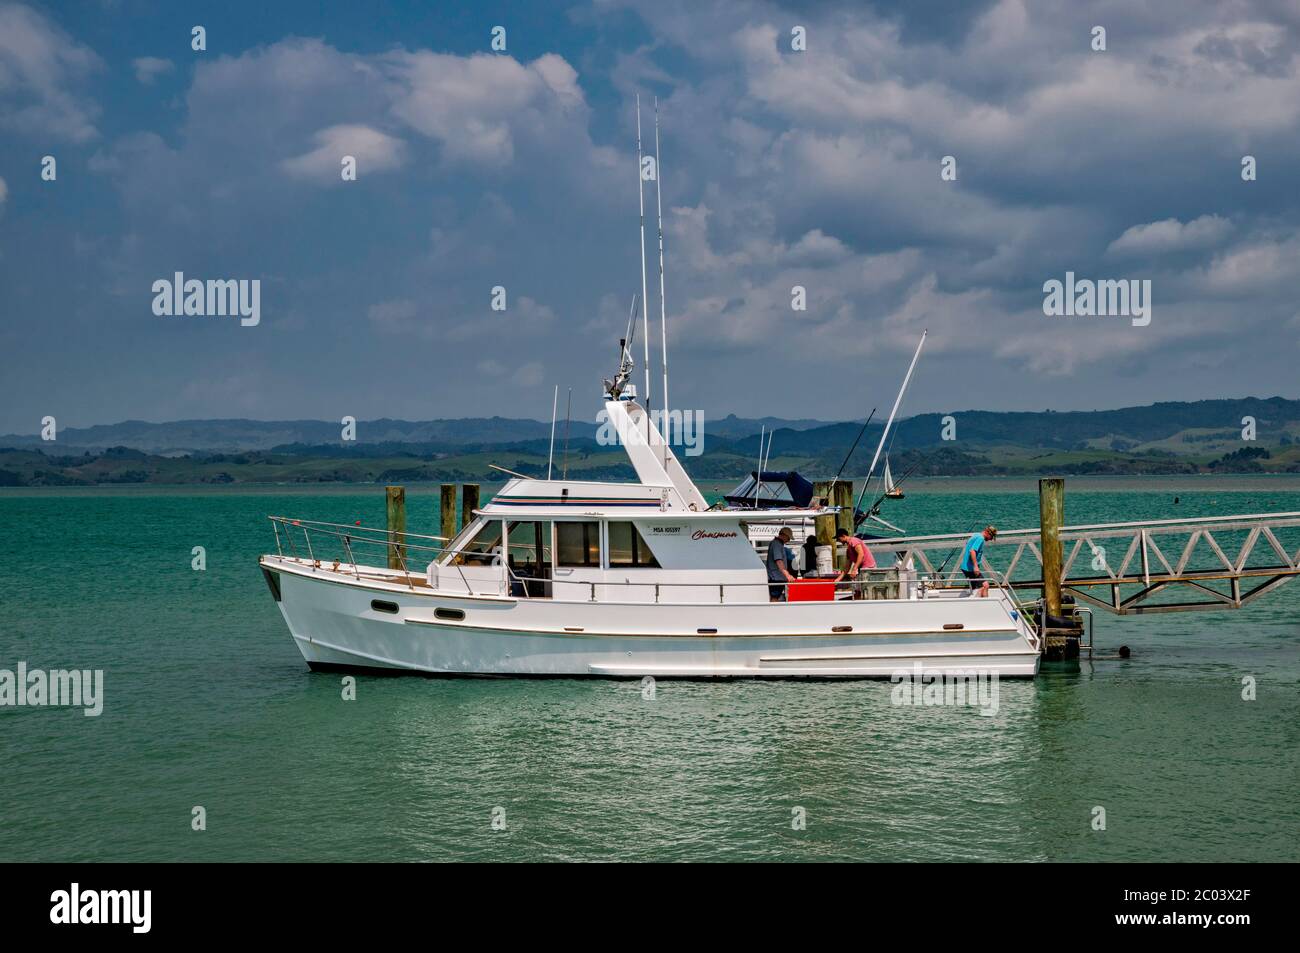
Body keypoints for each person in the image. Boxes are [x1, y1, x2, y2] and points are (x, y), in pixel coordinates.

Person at [834, 528, 876, 594]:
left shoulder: (853, 541)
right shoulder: (848, 550)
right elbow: (847, 567)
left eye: (838, 538)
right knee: (860, 589)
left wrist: (854, 569)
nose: (838, 540)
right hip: (862, 569)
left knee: (865, 589)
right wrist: (837, 580)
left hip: (868, 567)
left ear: (843, 536)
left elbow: (861, 554)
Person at [960, 525, 997, 597]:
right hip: (970, 568)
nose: (991, 539)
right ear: (988, 533)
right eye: (991, 537)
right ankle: (983, 606)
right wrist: (975, 566)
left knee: (976, 588)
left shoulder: (976, 535)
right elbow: (972, 551)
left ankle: (977, 604)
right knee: (985, 585)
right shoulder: (980, 538)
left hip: (966, 567)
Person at [766, 527, 796, 601]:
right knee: (774, 598)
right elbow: (778, 560)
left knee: (775, 597)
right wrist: (787, 575)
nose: (788, 540)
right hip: (776, 577)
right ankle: (774, 612)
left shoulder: (777, 544)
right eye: (788, 538)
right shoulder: (777, 544)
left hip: (776, 577)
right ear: (784, 535)